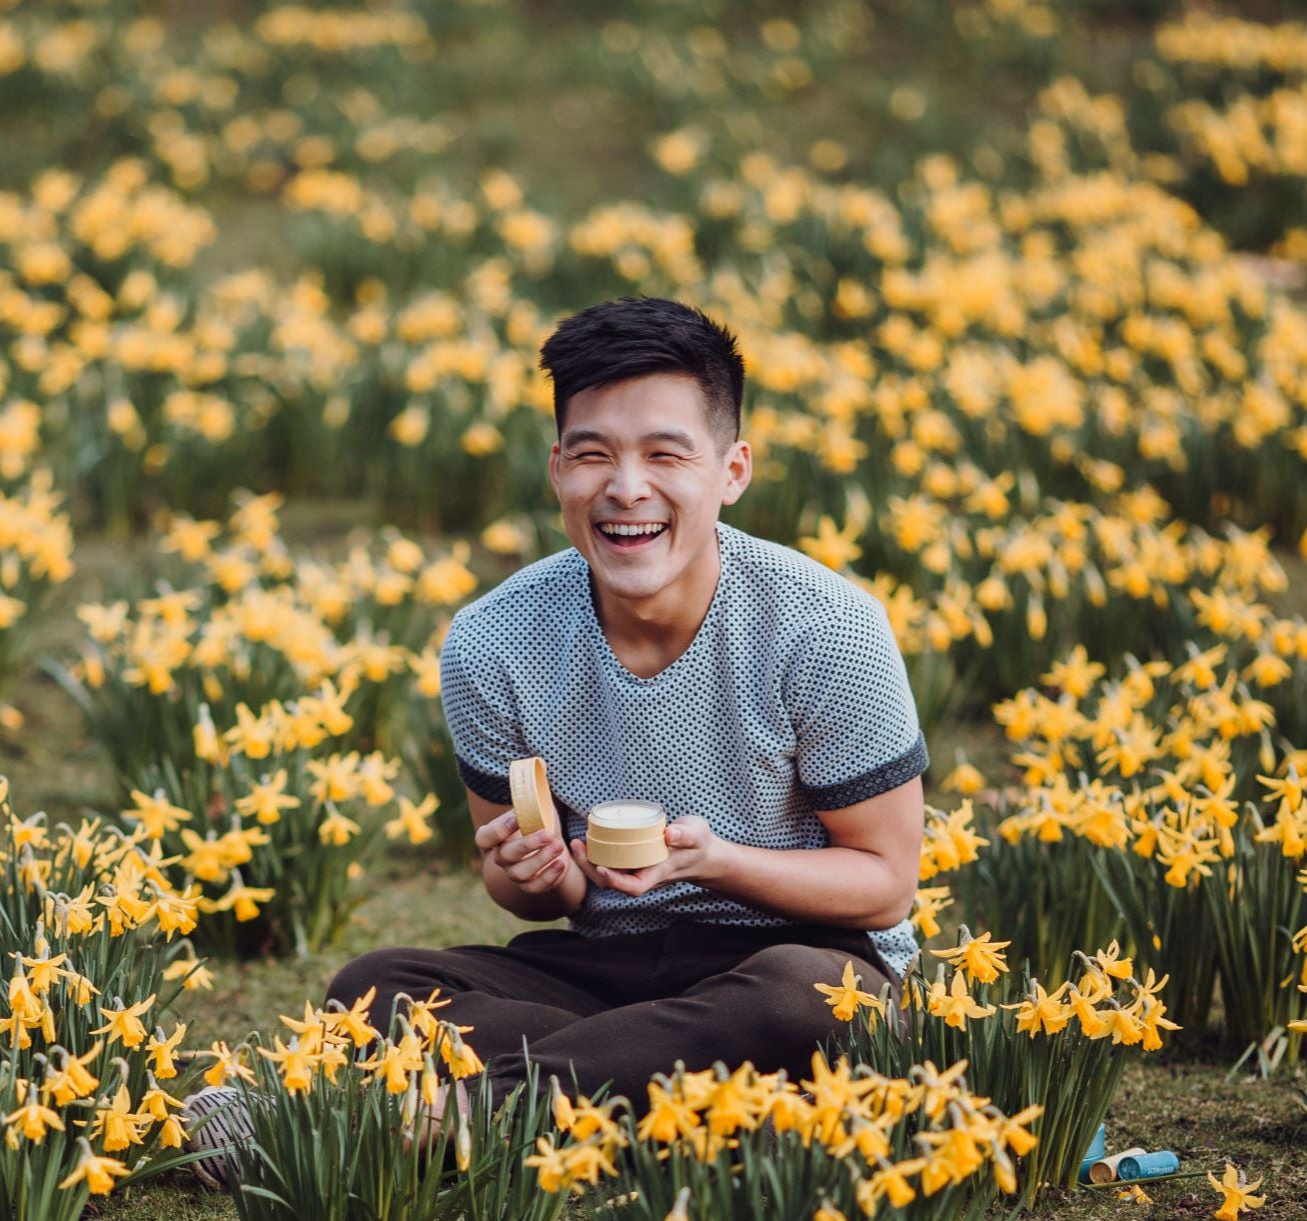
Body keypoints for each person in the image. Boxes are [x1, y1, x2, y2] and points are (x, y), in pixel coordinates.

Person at [323, 295, 927, 1111]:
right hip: (616, 976)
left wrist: (711, 860)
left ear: (732, 471)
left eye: (665, 455)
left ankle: (473, 1106)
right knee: (372, 987)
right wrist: (530, 876)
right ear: (557, 470)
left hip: (806, 957)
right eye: (593, 454)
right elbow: (540, 896)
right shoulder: (494, 640)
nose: (626, 487)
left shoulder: (826, 627)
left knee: (800, 1003)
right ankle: (617, 1083)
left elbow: (885, 884)